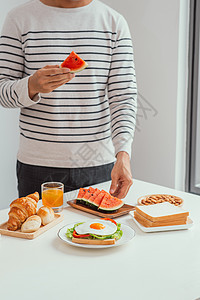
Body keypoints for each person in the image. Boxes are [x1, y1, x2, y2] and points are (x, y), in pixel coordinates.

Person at [0, 0, 137, 199]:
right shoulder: (19, 19)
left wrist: (123, 153)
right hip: (37, 165)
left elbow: (123, 97)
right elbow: (2, 91)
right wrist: (31, 86)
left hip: (98, 165)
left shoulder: (114, 23)